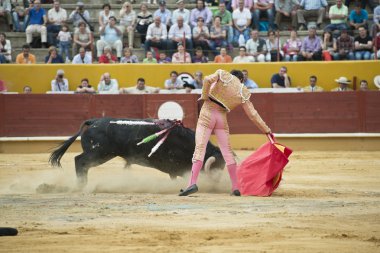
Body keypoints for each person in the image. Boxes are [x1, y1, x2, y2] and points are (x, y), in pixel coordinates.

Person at [178, 69, 272, 197]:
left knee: (200, 148)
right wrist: (266, 130)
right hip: (221, 118)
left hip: (207, 113)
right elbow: (253, 115)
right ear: (242, 80)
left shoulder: (222, 74)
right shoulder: (242, 90)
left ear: (232, 74)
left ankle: (192, 183)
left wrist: (204, 95)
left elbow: (206, 80)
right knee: (227, 152)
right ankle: (235, 187)